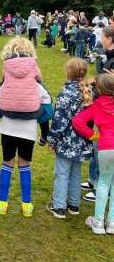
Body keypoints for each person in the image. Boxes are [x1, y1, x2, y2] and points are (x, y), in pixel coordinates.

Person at [0, 43, 53, 217]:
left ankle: (2, 202)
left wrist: (2, 113)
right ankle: (26, 204)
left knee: (7, 163)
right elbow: (47, 110)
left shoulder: (6, 82)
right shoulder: (36, 84)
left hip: (8, 128)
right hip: (28, 130)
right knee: (24, 165)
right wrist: (44, 133)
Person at [46, 58, 94, 219]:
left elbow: (59, 121)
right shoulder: (88, 92)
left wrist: (52, 140)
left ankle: (59, 206)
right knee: (76, 173)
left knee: (62, 173)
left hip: (66, 141)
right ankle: (74, 204)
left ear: (68, 72)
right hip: (82, 141)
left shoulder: (66, 94)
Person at [72, 74, 114, 235]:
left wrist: (93, 135)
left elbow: (78, 121)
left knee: (103, 182)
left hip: (105, 146)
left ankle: (98, 221)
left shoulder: (96, 106)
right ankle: (111, 222)